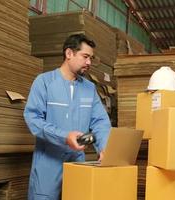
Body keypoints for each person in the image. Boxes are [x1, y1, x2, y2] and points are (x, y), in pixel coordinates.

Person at [24, 34, 111, 200]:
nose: (89, 63)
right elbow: (33, 119)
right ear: (69, 53)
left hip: (77, 162)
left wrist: (104, 148)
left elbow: (100, 122)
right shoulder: (44, 82)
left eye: (91, 58)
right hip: (48, 162)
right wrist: (64, 137)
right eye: (85, 57)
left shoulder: (89, 88)